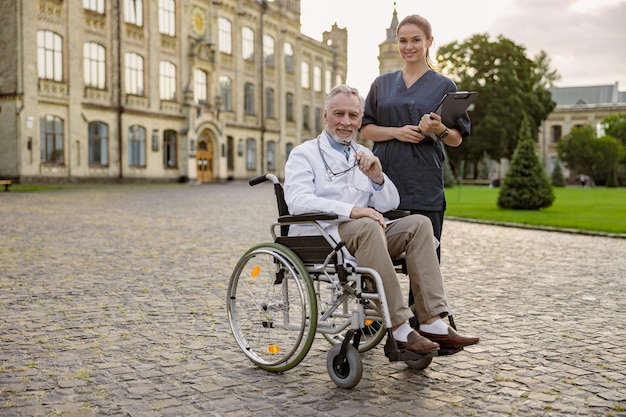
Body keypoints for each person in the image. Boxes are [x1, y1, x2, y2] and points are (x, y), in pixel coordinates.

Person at [284, 84, 479, 354]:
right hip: (323, 236)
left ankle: (433, 320)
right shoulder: (304, 154)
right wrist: (353, 211)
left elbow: (390, 203)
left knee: (420, 224)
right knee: (366, 224)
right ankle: (399, 327)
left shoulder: (363, 154)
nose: (346, 122)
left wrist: (377, 177)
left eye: (353, 116)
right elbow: (297, 201)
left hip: (366, 235)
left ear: (360, 120)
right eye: (338, 114)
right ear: (325, 117)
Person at [360, 14, 472, 326]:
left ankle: (426, 324)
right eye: (403, 40)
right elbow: (366, 129)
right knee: (376, 252)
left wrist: (437, 129)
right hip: (383, 181)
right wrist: (395, 131)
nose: (409, 46)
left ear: (429, 42)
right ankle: (373, 319)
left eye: (416, 40)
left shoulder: (444, 86)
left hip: (423, 183)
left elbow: (457, 139)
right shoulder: (381, 85)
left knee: (424, 259)